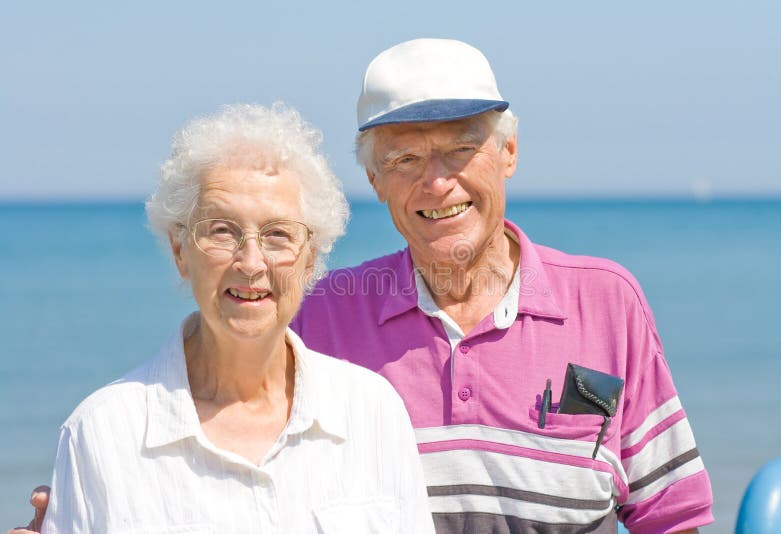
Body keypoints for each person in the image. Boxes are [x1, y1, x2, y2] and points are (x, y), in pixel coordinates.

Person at [13, 39, 713, 533]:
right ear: (374, 181)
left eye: (462, 148)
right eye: (405, 157)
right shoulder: (315, 315)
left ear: (508, 154)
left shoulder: (605, 303)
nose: (437, 182)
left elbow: (670, 515)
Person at [16, 103, 434, 533]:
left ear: (310, 260)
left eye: (277, 235)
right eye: (221, 230)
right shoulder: (102, 433)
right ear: (181, 251)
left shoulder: (372, 413)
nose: (251, 263)